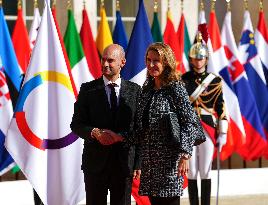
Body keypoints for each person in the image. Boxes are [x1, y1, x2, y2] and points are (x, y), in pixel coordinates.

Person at [70, 44, 141, 205]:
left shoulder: (135, 91)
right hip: (95, 165)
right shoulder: (88, 89)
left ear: (122, 62)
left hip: (123, 165)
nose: (105, 64)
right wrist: (94, 132)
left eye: (110, 60)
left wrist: (138, 162)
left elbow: (139, 129)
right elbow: (76, 124)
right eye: (103, 59)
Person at [135, 42, 205, 205]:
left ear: (166, 62)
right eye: (148, 60)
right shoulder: (147, 89)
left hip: (171, 163)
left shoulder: (175, 88)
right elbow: (141, 127)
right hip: (150, 166)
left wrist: (185, 154)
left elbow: (189, 123)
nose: (151, 65)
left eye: (156, 61)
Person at [181, 33, 228, 205]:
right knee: (192, 171)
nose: (198, 61)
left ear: (206, 59)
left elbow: (221, 107)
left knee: (205, 170)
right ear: (191, 59)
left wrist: (222, 133)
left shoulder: (214, 80)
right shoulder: (183, 79)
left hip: (207, 126)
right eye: (195, 58)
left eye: (201, 58)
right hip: (189, 128)